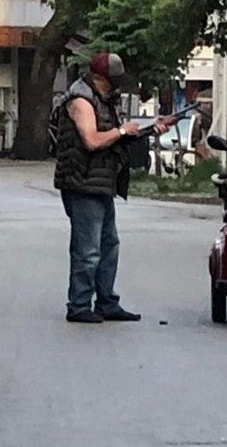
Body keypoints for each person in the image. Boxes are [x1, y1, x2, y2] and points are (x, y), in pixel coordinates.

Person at [54, 51, 167, 324]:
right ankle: (79, 305)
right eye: (111, 80)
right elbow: (92, 140)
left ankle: (106, 302)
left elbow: (116, 138)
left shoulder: (103, 99)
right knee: (88, 249)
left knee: (109, 244)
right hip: (82, 182)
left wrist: (150, 130)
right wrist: (122, 131)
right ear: (96, 78)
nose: (115, 85)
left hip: (101, 182)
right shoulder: (80, 101)